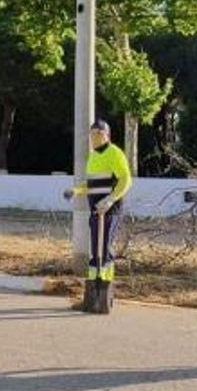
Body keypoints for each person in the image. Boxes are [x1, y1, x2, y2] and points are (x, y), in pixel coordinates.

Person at [72, 119, 132, 314]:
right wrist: (76, 190)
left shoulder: (114, 153)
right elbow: (93, 185)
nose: (95, 137)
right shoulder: (92, 157)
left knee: (104, 248)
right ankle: (91, 298)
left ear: (107, 135)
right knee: (95, 251)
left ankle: (104, 297)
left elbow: (125, 179)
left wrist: (110, 200)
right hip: (95, 211)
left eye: (99, 134)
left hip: (109, 210)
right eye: (92, 134)